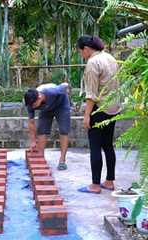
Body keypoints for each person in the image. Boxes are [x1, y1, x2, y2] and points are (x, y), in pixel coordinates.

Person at [77, 35, 121, 194]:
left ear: (87, 49)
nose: (81, 55)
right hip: (114, 108)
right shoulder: (110, 58)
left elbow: (91, 95)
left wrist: (87, 115)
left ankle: (95, 185)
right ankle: (109, 182)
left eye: (81, 52)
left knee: (95, 146)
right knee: (108, 145)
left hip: (99, 108)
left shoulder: (92, 63)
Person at [24, 82, 71, 170]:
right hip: (46, 109)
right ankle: (41, 158)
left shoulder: (53, 91)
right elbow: (31, 122)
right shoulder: (30, 103)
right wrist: (33, 141)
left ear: (39, 97)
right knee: (42, 130)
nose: (32, 107)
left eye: (34, 105)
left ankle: (62, 160)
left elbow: (65, 85)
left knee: (64, 130)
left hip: (61, 105)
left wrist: (69, 94)